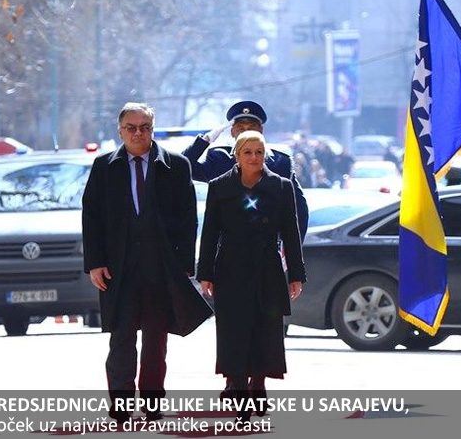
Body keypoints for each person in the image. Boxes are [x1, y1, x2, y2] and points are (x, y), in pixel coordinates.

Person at [82, 102, 213, 423]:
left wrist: (185, 265)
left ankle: (153, 404)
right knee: (121, 338)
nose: (138, 133)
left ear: (152, 129)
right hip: (119, 268)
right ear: (120, 131)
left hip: (161, 268)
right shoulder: (104, 167)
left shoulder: (176, 166)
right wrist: (95, 262)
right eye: (131, 128)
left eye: (144, 127)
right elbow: (92, 216)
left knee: (157, 340)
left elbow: (187, 219)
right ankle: (121, 406)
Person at [197, 130, 306, 422]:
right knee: (234, 332)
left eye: (259, 152)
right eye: (248, 152)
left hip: (267, 268)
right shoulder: (220, 187)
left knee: (264, 330)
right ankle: (239, 390)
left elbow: (291, 233)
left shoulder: (280, 187)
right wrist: (204, 272)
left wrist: (297, 273)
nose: (254, 158)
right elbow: (209, 233)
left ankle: (258, 384)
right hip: (231, 269)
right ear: (237, 155)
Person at [182, 100, 308, 240]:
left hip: (268, 250)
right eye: (241, 129)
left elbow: (299, 210)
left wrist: (289, 249)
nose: (246, 134)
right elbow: (182, 169)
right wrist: (206, 140)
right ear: (232, 132)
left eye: (251, 128)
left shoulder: (280, 163)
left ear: (261, 131)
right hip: (227, 250)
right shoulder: (219, 159)